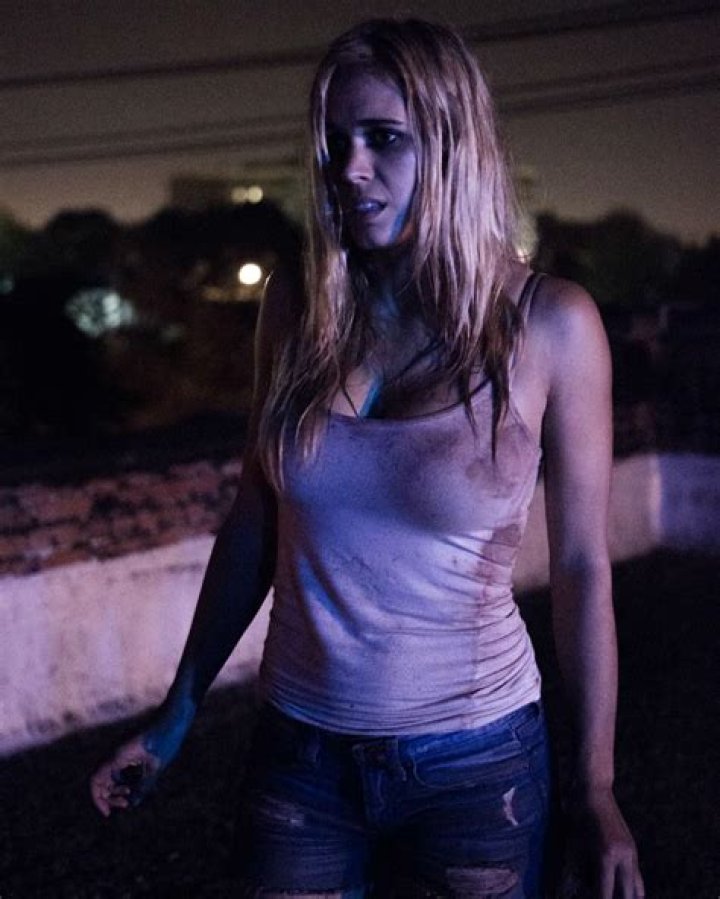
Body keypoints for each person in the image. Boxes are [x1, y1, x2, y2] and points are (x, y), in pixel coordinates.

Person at [90, 18, 644, 898]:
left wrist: (597, 786)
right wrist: (175, 714)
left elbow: (581, 566)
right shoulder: (298, 308)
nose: (349, 168)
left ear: (453, 145)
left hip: (476, 763)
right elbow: (254, 523)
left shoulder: (551, 323)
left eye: (384, 138)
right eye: (335, 140)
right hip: (299, 755)